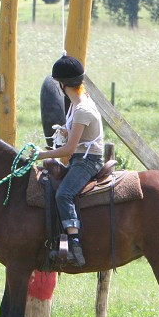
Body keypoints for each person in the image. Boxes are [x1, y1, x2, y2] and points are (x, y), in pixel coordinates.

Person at [36, 54, 104, 268]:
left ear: (63, 85)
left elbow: (69, 149)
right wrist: (64, 130)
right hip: (80, 158)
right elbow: (74, 135)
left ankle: (75, 245)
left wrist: (42, 155)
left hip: (88, 161)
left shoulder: (82, 110)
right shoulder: (78, 104)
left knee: (64, 193)